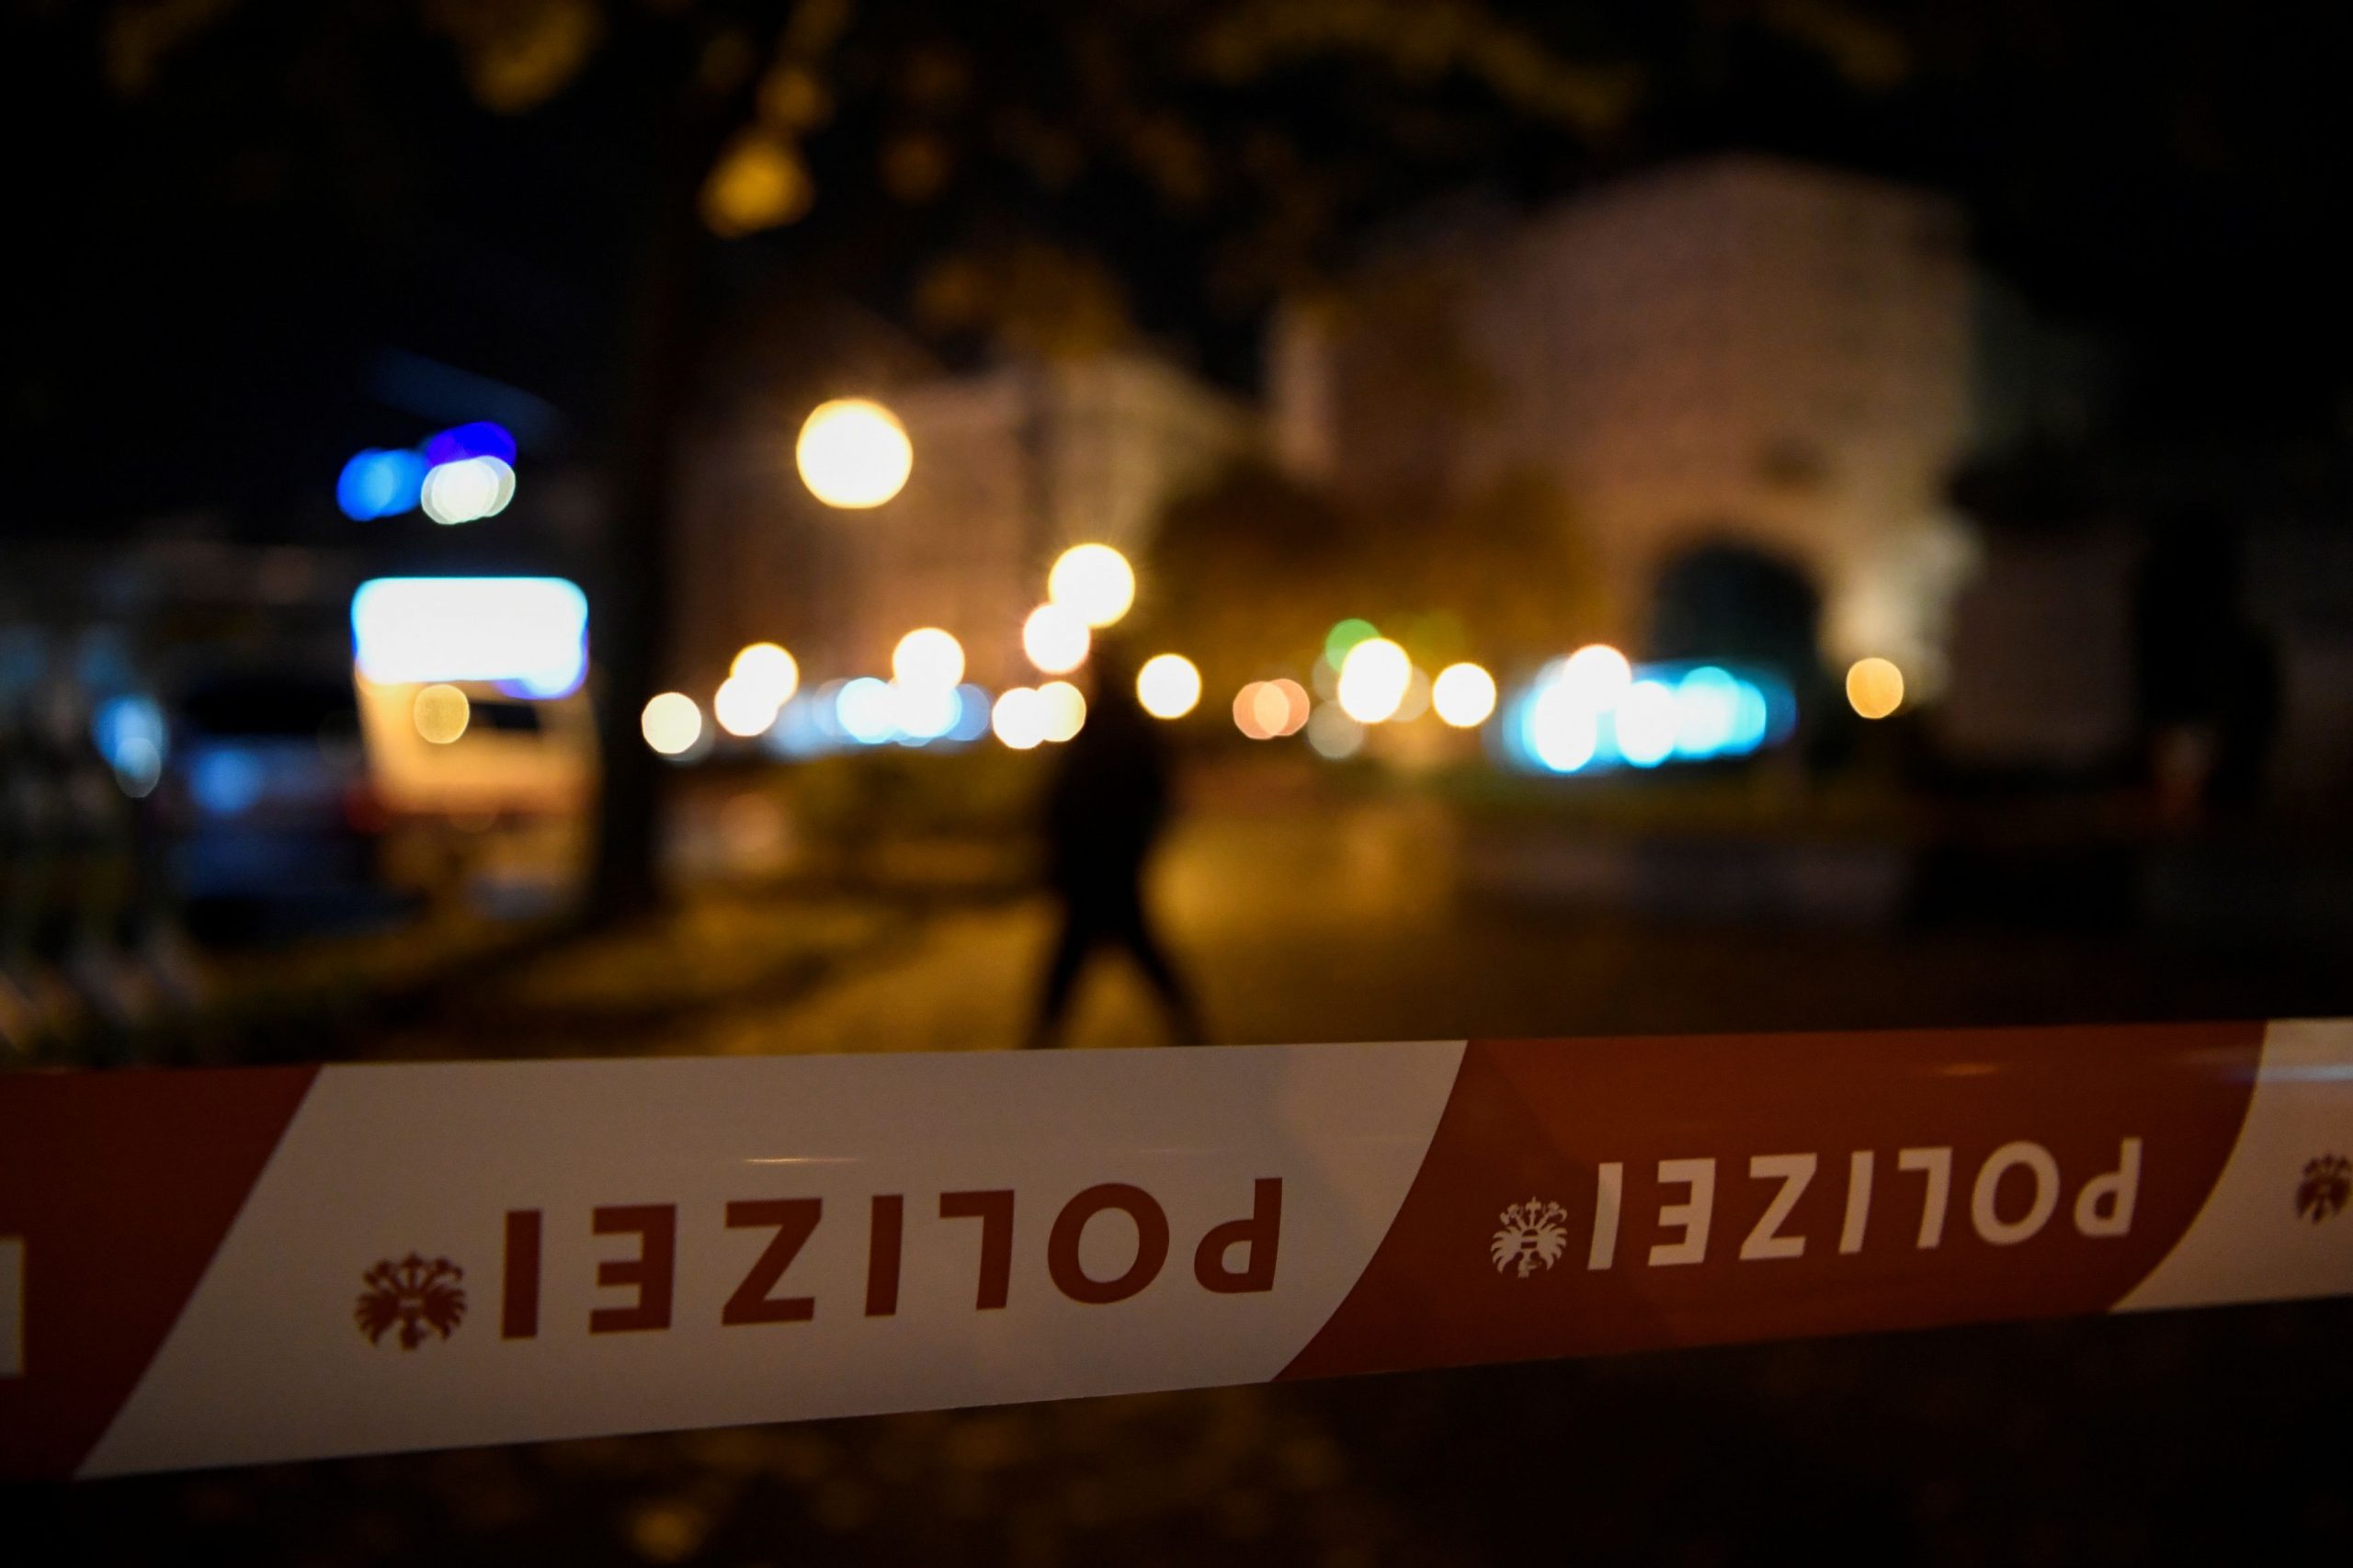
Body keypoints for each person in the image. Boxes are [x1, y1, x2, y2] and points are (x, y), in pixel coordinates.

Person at [1028, 642, 1203, 1046]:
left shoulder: (1110, 728)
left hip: (1102, 866)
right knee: (1107, 956)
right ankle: (1192, 1033)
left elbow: (1083, 797)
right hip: (1108, 865)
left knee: (1080, 959)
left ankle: (1039, 1042)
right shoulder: (1123, 726)